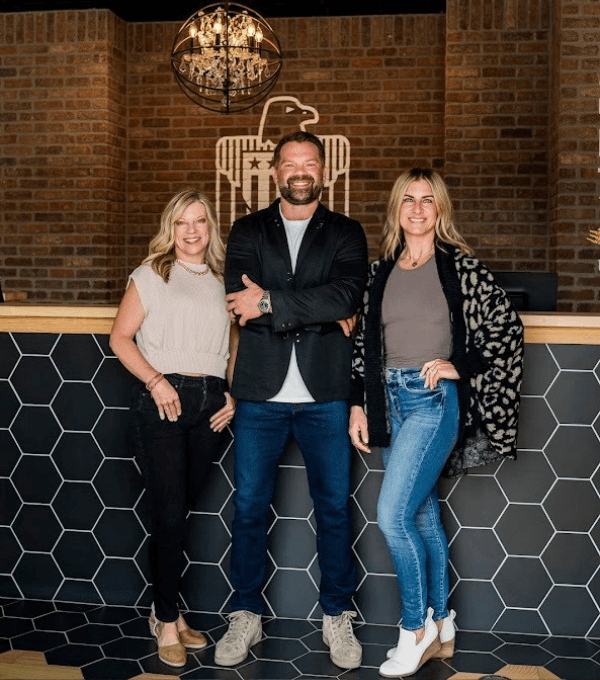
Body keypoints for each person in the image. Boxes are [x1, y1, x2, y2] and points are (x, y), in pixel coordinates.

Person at [349, 168, 523, 678]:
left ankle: (415, 630)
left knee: (392, 515)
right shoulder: (380, 272)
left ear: (440, 208)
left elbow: (506, 327)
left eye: (428, 200)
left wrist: (459, 366)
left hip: (431, 401)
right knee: (421, 515)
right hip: (388, 402)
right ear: (397, 209)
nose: (418, 209)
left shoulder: (460, 267)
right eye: (409, 199)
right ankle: (443, 625)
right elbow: (363, 345)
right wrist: (359, 404)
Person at [215, 130, 369, 670]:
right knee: (249, 507)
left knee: (333, 508)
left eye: (309, 163)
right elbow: (239, 302)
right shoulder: (247, 229)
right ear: (276, 171)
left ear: (324, 172)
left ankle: (337, 615)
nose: (299, 172)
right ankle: (246, 614)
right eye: (289, 163)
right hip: (260, 393)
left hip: (327, 393)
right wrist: (315, 308)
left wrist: (271, 302)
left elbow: (347, 295)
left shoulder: (346, 231)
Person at [109, 189, 238, 668]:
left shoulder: (224, 279)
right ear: (171, 227)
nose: (190, 231)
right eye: (182, 222)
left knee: (179, 514)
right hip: (162, 402)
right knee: (167, 518)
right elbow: (120, 338)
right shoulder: (151, 274)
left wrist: (233, 394)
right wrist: (156, 380)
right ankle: (165, 621)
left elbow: (234, 344)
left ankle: (169, 610)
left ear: (210, 227)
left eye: (199, 221)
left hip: (210, 405)